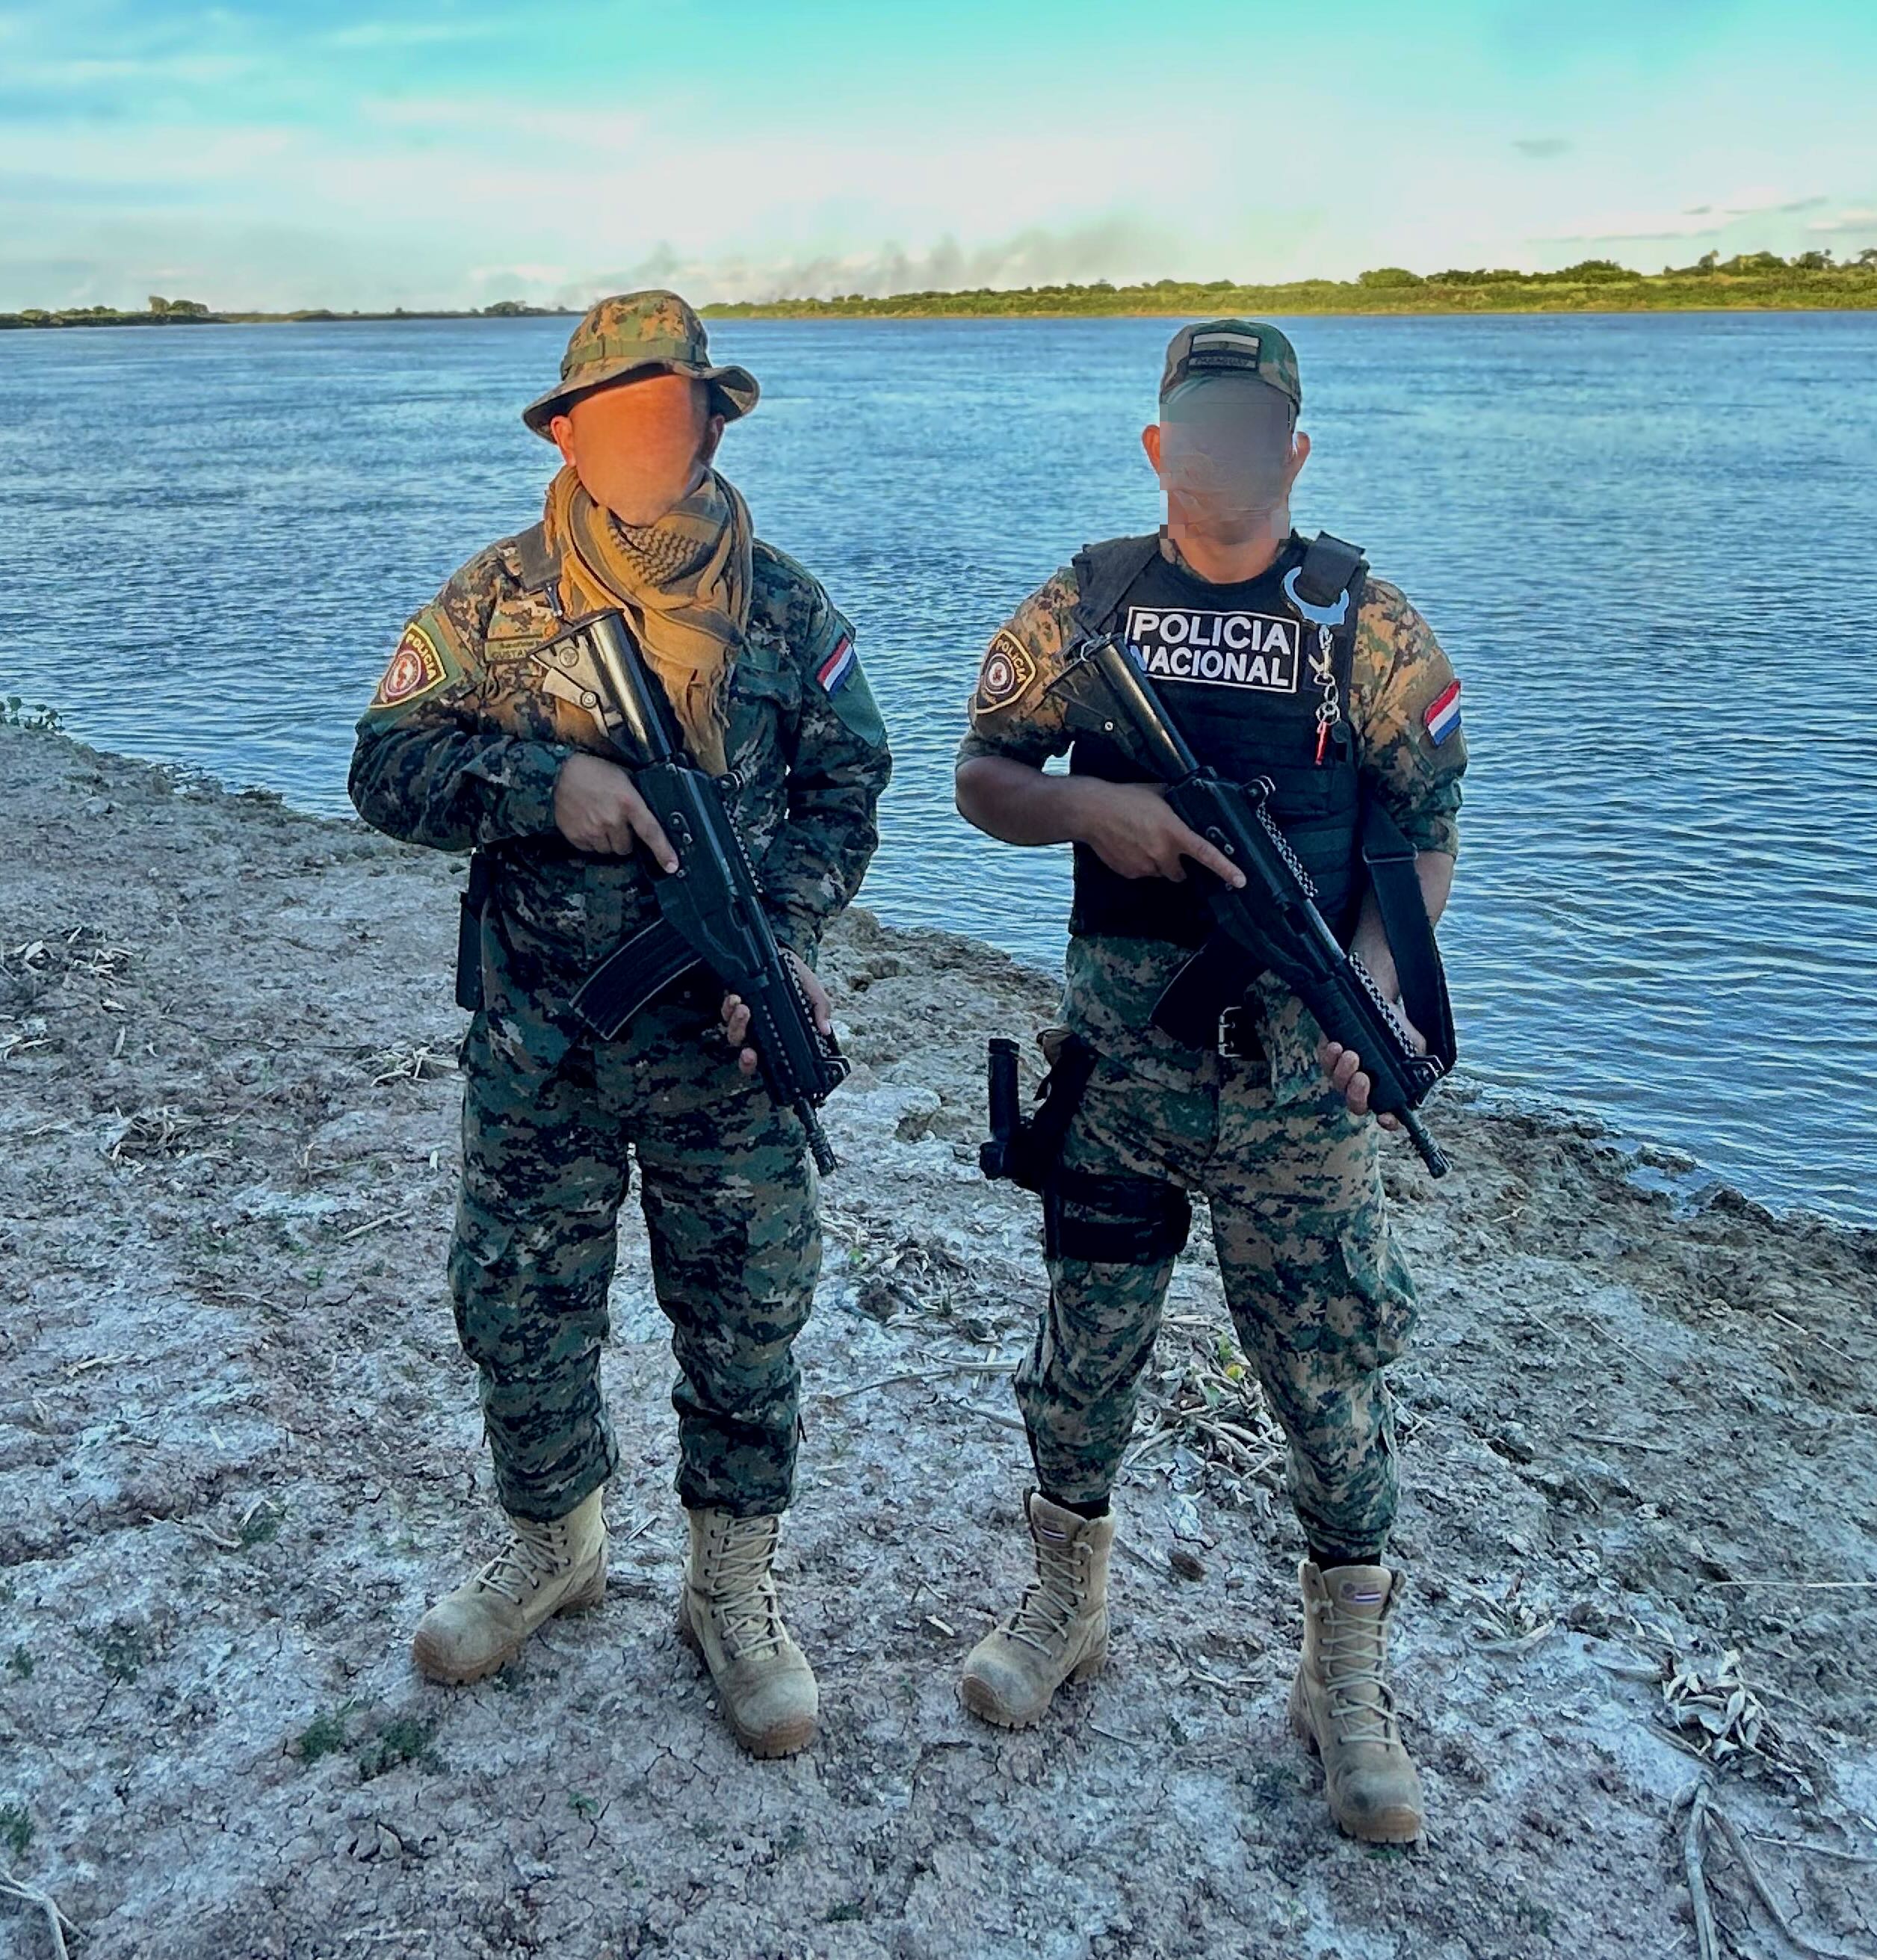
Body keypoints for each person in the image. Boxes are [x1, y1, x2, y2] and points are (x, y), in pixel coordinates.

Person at [348, 291, 890, 1757]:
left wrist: (782, 939)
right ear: (568, 434)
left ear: (711, 422)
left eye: (672, 408)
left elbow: (850, 792)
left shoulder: (788, 612)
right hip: (541, 1043)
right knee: (519, 1298)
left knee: (747, 1312)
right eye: (617, 412)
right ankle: (555, 1544)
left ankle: (729, 1585)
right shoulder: (493, 603)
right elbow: (383, 768)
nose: (647, 435)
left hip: (726, 1047)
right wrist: (548, 790)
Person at [951, 319, 1466, 1842]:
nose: (1225, 453)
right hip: (1117, 1068)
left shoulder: (1366, 626)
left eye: (1254, 429)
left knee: (1326, 1372)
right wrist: (1091, 813)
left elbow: (1424, 837)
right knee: (1085, 1345)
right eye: (1198, 426)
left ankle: (1343, 1669)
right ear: (1157, 446)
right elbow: (981, 776)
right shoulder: (1088, 601)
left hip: (1296, 1092)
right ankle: (1065, 1595)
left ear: (1292, 451)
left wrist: (1374, 991)